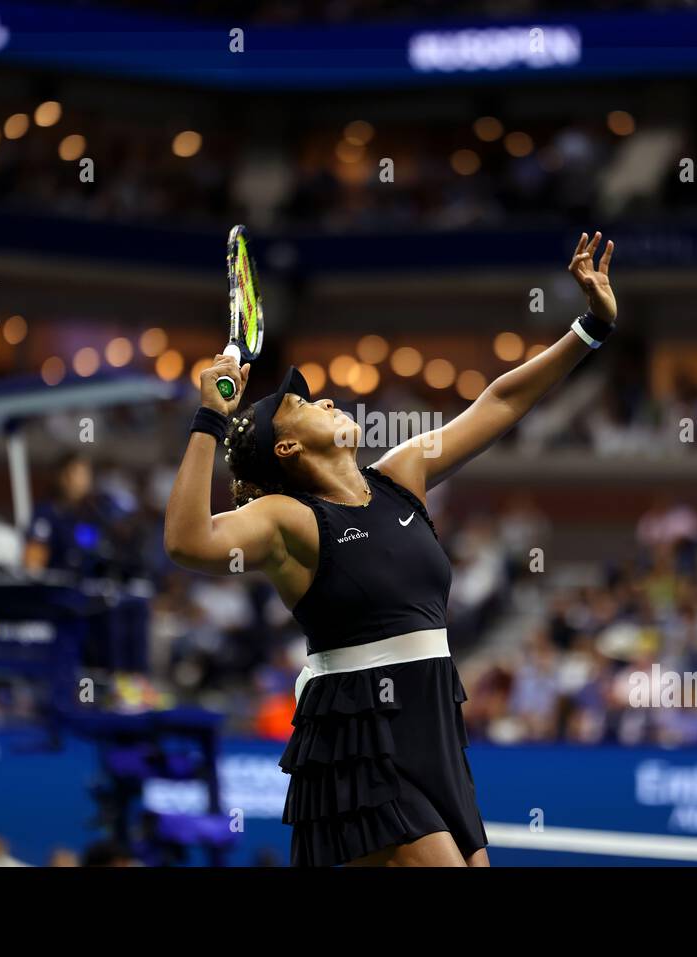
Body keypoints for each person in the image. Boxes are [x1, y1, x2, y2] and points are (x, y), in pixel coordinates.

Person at [164, 231, 619, 866]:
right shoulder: (287, 520)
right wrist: (209, 418)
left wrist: (591, 328)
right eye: (302, 403)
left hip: (434, 724)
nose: (325, 398)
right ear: (288, 449)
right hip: (359, 735)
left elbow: (502, 399)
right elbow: (188, 541)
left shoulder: (402, 474)